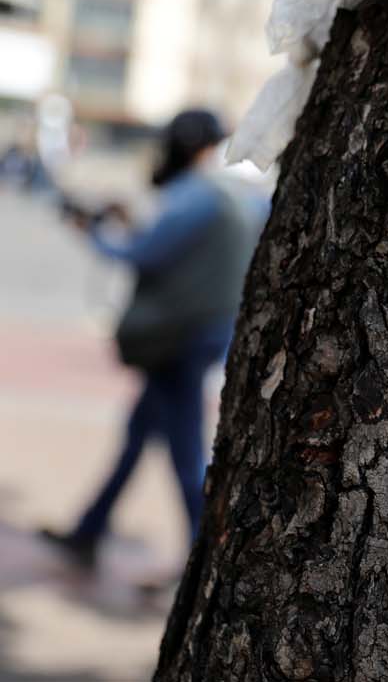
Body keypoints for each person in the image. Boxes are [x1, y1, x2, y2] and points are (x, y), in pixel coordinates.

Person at [40, 108, 267, 570]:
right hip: (196, 337)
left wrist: (96, 231)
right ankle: (90, 529)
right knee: (139, 436)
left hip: (178, 344)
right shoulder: (227, 193)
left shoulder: (196, 197)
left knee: (185, 453)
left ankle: (204, 559)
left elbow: (140, 254)